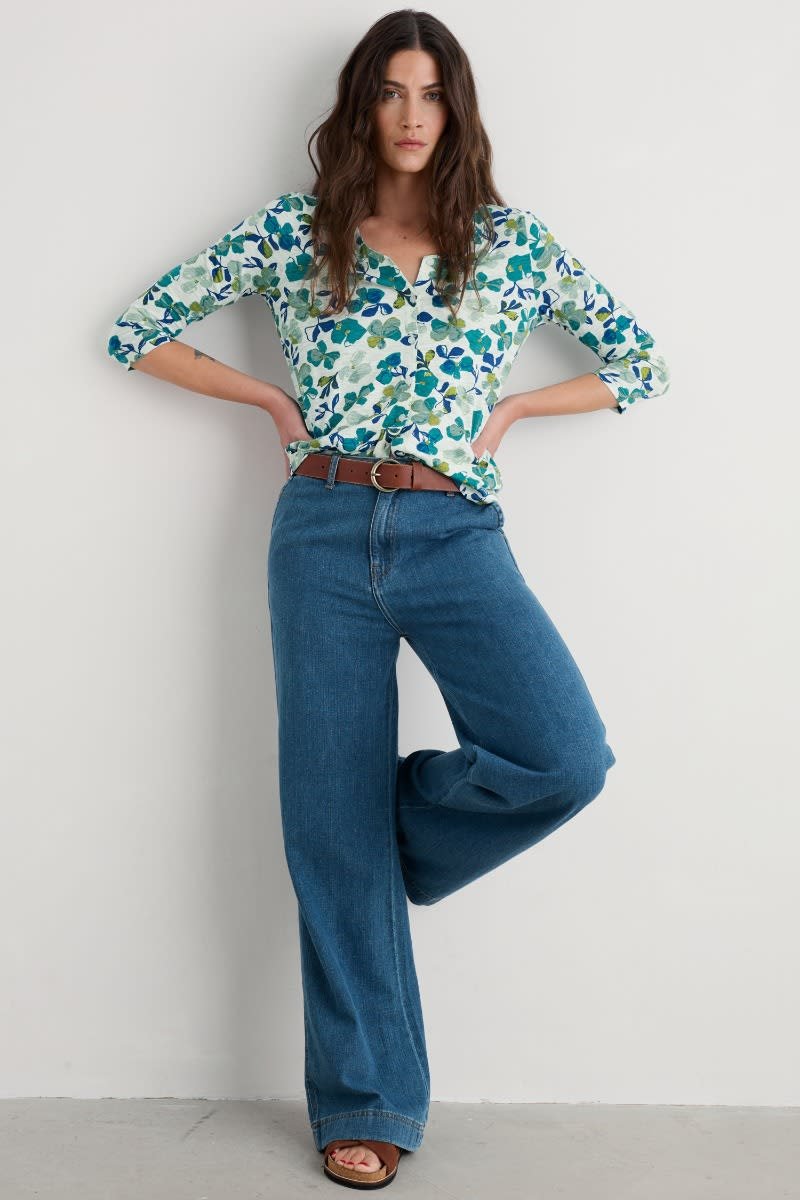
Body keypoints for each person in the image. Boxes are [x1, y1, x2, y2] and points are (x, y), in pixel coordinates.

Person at [106, 8, 670, 1190]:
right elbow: (137, 331)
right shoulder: (295, 231)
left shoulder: (508, 244)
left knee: (560, 756)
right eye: (390, 92)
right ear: (359, 106)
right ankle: (365, 1102)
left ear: (457, 110)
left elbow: (638, 363)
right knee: (328, 829)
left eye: (432, 93)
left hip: (453, 532)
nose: (412, 116)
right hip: (317, 529)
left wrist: (514, 410)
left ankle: (386, 826)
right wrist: (272, 402)